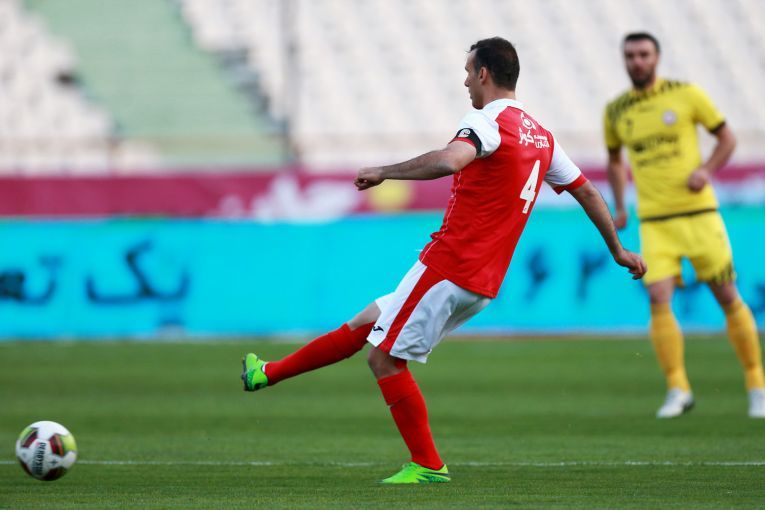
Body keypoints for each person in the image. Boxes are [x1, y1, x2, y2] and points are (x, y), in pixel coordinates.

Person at [242, 36, 646, 484]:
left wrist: (384, 171)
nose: (466, 81)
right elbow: (586, 191)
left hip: (450, 266)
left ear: (484, 74)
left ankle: (428, 465)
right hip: (482, 281)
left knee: (384, 359)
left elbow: (452, 160)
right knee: (367, 322)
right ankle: (267, 374)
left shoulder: (486, 122)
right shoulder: (542, 136)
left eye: (469, 72)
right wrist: (618, 250)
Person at [603, 32, 765, 419]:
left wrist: (706, 170)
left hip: (699, 215)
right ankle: (678, 389)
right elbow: (614, 160)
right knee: (658, 298)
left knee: (727, 295)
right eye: (630, 55)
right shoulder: (616, 111)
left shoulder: (686, 95)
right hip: (655, 222)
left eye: (644, 54)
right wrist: (620, 205)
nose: (637, 61)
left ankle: (757, 386)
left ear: (657, 57)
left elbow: (727, 139)